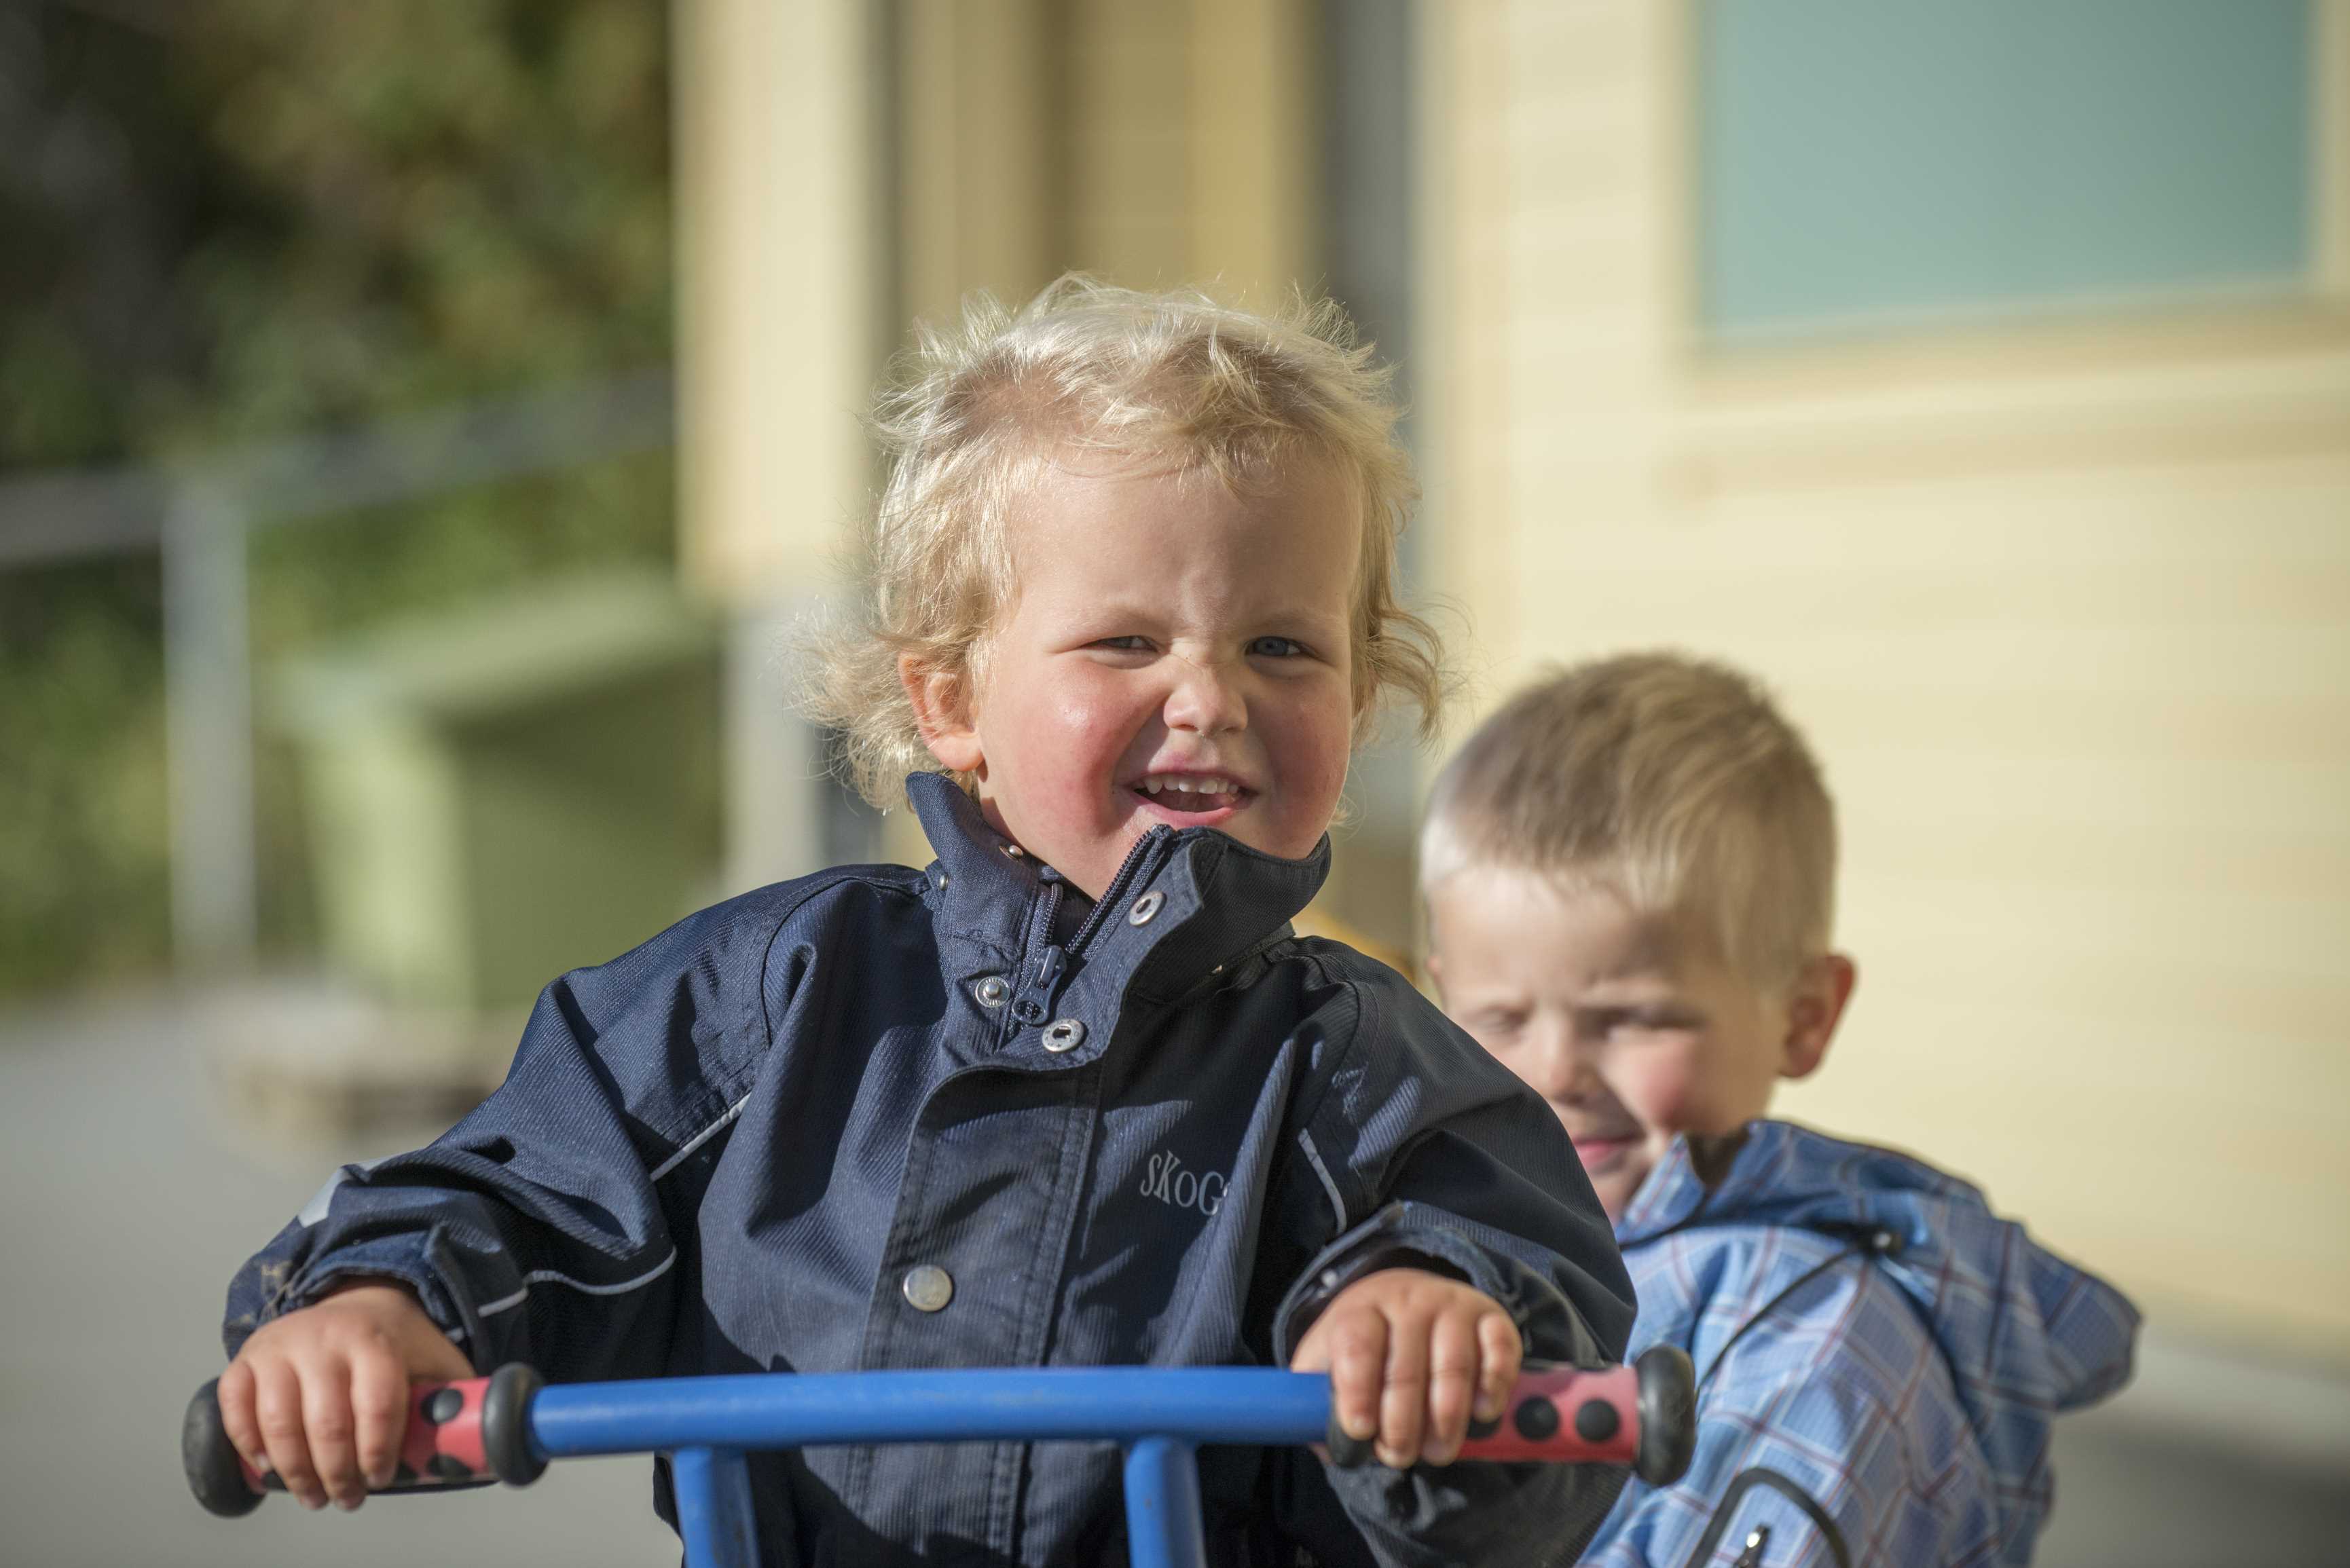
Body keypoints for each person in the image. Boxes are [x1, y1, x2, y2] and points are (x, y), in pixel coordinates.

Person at [213, 279, 1636, 1567]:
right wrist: (380, 1306)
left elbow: (1539, 1331)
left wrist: (1438, 1314)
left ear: (1361, 699)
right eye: (1127, 642)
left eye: (1283, 646)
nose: (1210, 697)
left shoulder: (1359, 1067)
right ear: (954, 702)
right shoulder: (779, 996)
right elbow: (531, 1186)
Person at [1419, 653, 2140, 1567]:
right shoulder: (1472, 1255)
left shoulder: (1817, 1351)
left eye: (1636, 1017)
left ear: (1802, 1016)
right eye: (1500, 1018)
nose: (1553, 1072)